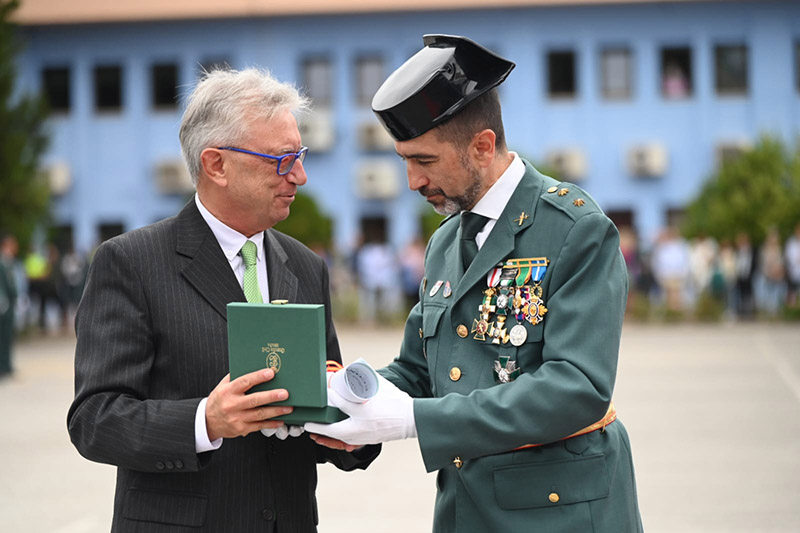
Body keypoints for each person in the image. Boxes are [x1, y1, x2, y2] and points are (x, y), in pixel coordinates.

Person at [307, 35, 643, 532]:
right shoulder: (446, 241)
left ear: (482, 146)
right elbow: (418, 371)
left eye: (423, 161)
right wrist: (348, 399)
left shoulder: (574, 230)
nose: (412, 182)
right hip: (469, 511)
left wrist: (416, 421)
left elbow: (577, 387)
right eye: (404, 161)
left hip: (560, 513)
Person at [67, 68, 379, 532]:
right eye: (282, 159)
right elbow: (95, 419)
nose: (300, 174)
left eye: (301, 155)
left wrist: (350, 431)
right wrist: (205, 421)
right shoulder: (132, 262)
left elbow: (312, 407)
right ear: (216, 165)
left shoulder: (305, 266)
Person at [0, 233, 19, 379]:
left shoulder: (9, 261)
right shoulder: (2, 262)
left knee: (8, 336)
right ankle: (3, 366)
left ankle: (7, 365)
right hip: (3, 304)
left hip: (10, 304)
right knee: (3, 336)